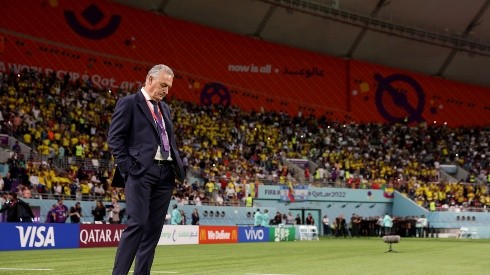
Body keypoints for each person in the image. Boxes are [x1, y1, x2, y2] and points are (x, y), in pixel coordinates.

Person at [108, 64, 186, 275]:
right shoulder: (129, 103)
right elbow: (115, 139)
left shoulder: (165, 108)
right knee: (137, 223)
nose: (166, 91)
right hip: (141, 172)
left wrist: (178, 167)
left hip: (165, 174)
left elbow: (169, 140)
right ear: (149, 80)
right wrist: (129, 168)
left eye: (169, 87)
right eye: (163, 85)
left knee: (153, 232)